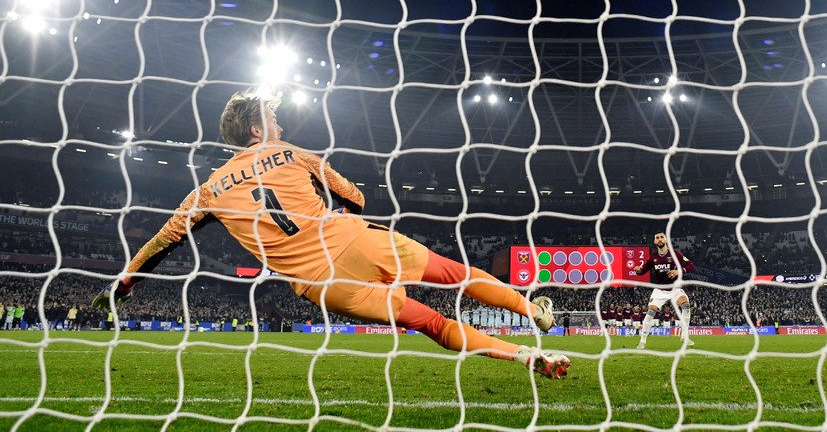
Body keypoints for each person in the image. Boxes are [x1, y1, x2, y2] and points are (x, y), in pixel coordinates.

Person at [92, 91, 569, 379]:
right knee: (455, 275)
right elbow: (355, 197)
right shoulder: (291, 152)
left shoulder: (207, 191)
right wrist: (340, 210)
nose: (280, 124)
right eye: (273, 119)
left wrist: (124, 285)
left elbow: (160, 243)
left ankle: (524, 356)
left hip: (323, 286)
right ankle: (533, 311)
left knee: (431, 323)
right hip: (352, 240)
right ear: (257, 129)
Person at [633, 231, 695, 349]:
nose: (660, 239)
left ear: (666, 240)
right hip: (660, 289)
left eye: (662, 237)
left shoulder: (675, 254)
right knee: (651, 312)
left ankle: (684, 337)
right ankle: (642, 341)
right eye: (657, 238)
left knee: (686, 305)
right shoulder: (653, 258)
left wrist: (678, 271)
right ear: (654, 241)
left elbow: (690, 266)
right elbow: (642, 271)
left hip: (675, 288)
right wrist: (638, 270)